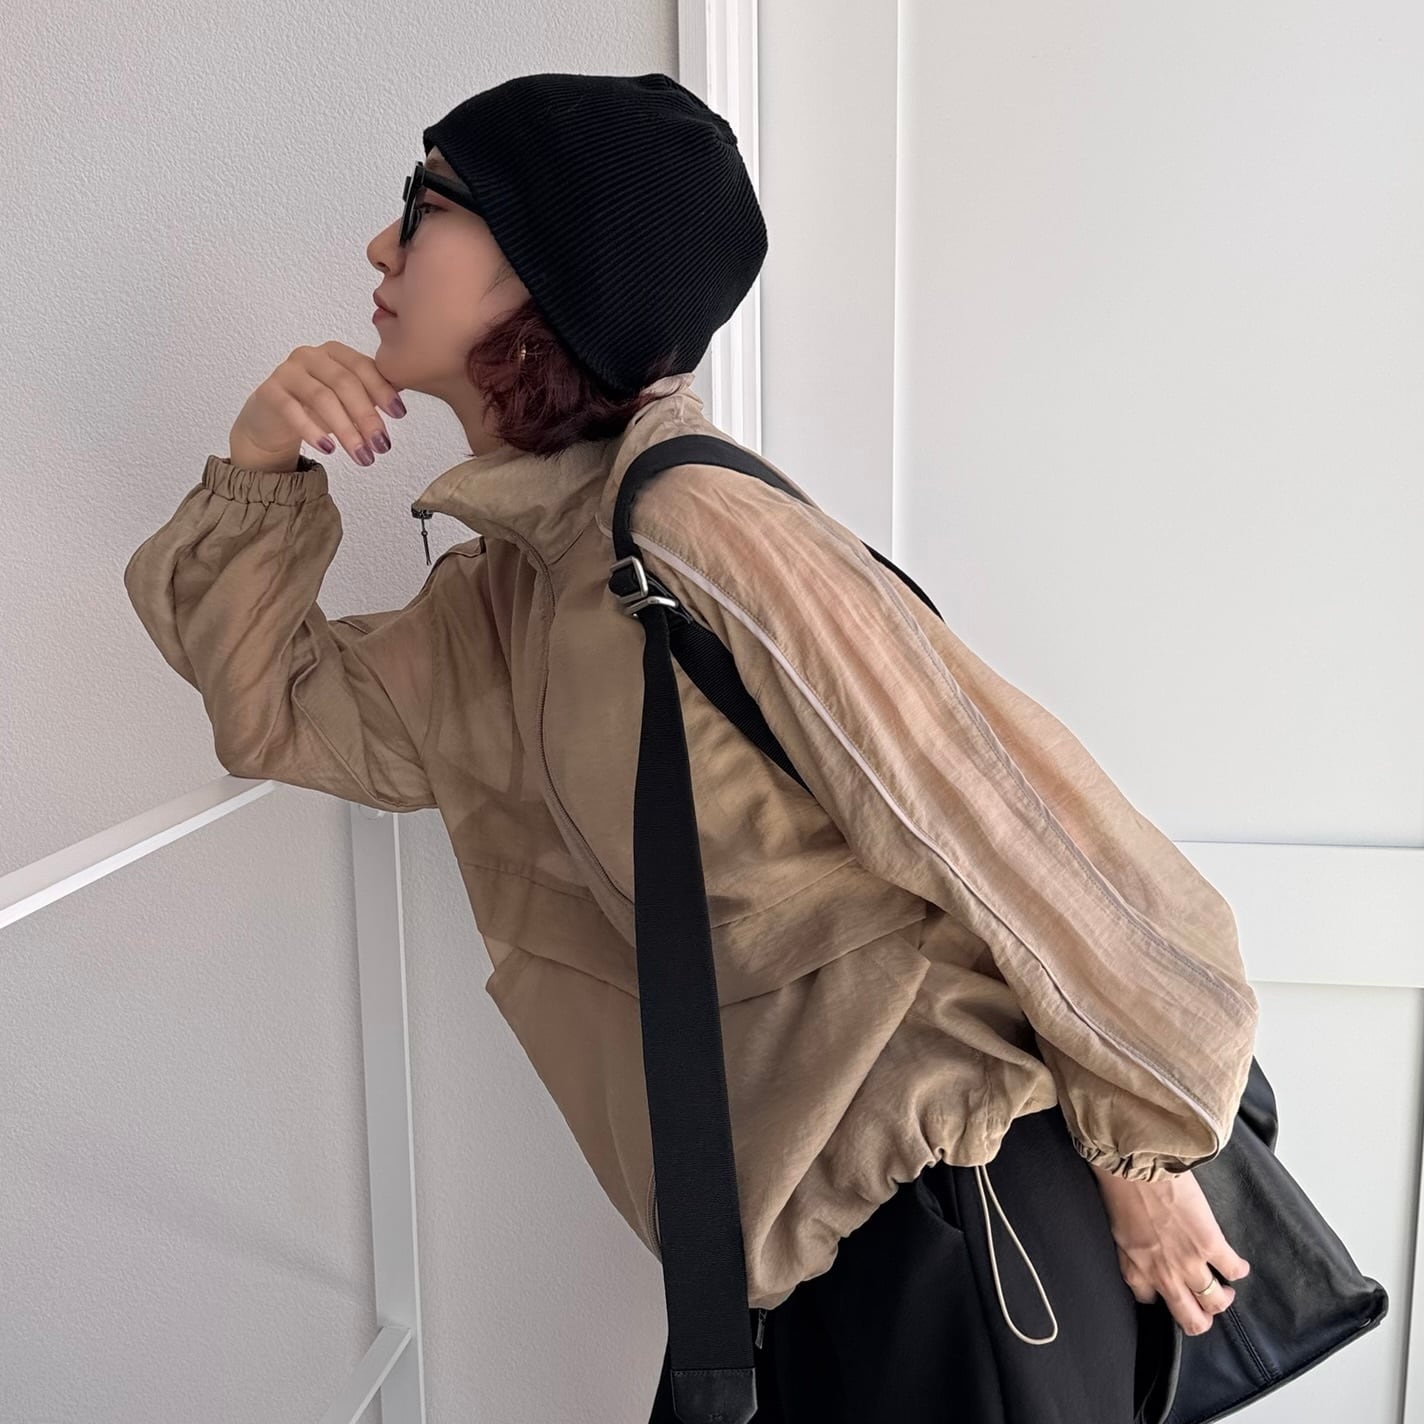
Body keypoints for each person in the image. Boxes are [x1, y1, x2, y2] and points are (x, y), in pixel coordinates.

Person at [123, 71, 1255, 1424]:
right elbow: (276, 711)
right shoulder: (509, 596)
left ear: (545, 264)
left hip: (949, 1215)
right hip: (784, 1261)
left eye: (423, 206)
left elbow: (997, 815)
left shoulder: (692, 526)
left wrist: (1143, 1153)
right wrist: (261, 465)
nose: (381, 247)